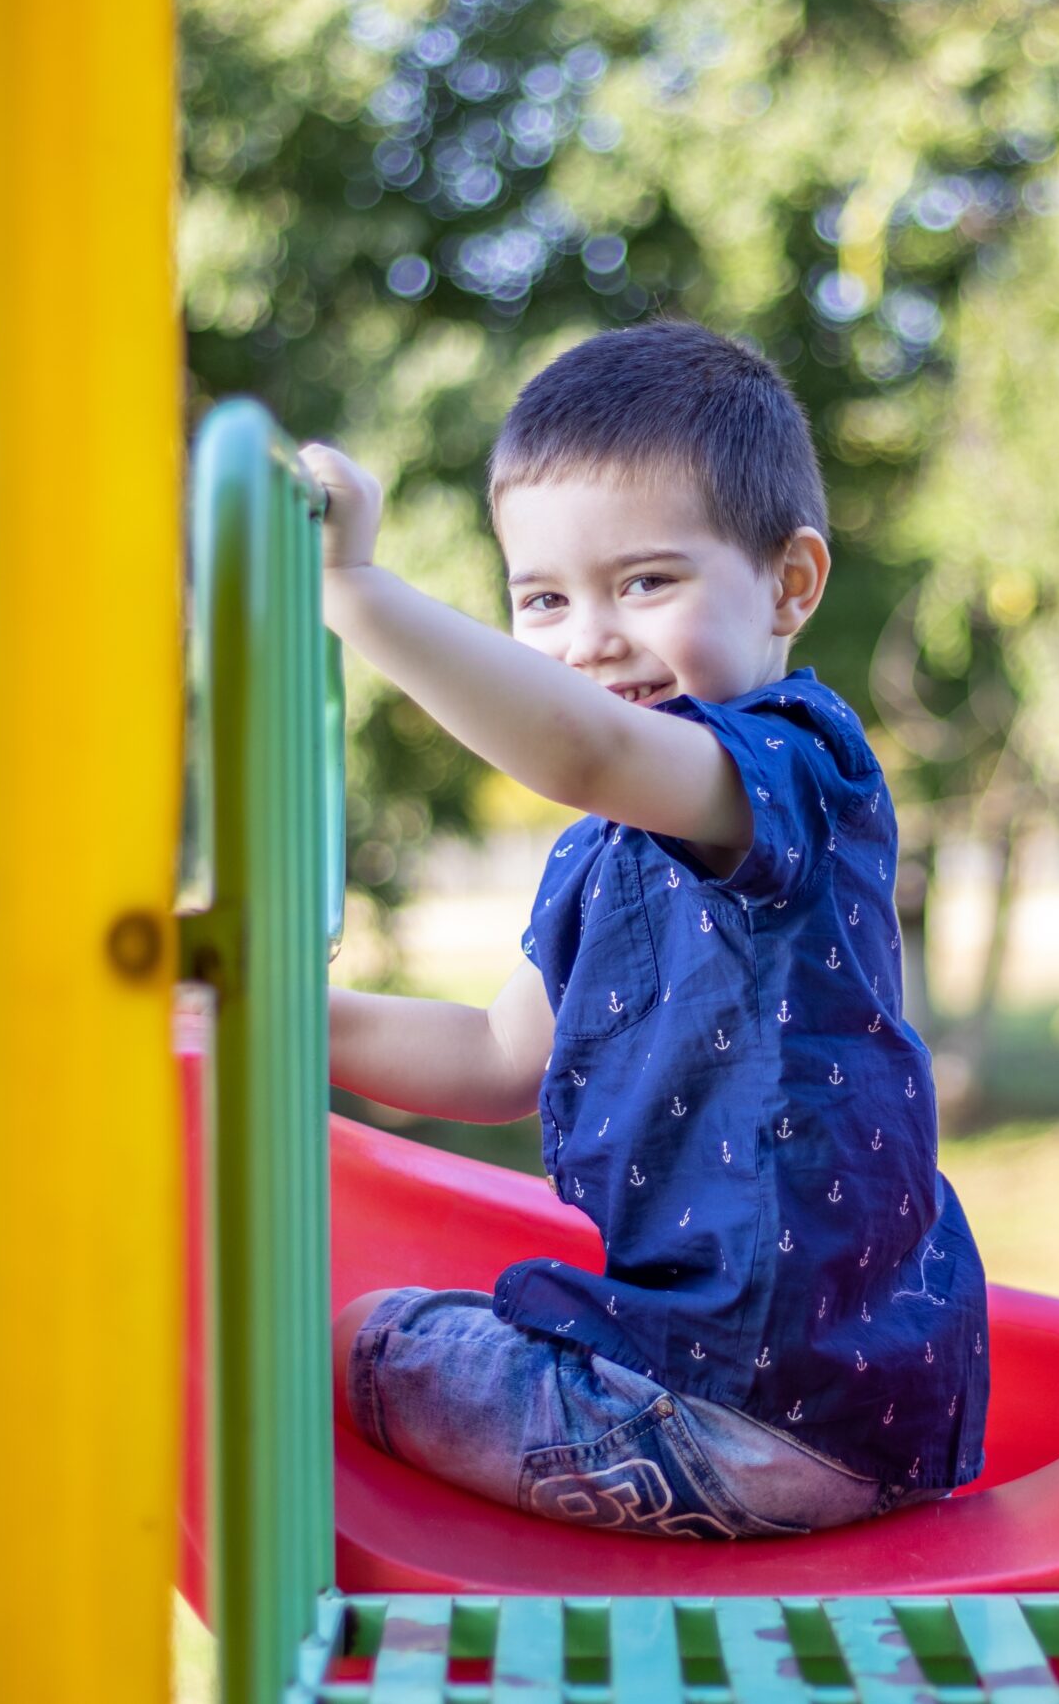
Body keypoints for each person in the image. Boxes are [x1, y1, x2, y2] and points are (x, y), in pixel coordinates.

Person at [303, 319, 988, 1540]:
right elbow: (494, 1060)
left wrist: (353, 592)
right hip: (794, 1396)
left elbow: (582, 744)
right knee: (403, 1321)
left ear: (789, 584)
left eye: (645, 582)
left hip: (743, 1405)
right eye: (544, 599)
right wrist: (290, 1019)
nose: (590, 639)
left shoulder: (791, 766)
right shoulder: (599, 849)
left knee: (357, 1341)